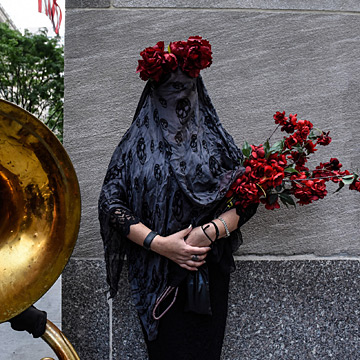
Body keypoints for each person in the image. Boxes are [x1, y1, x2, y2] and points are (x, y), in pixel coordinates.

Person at [98, 36, 257, 360]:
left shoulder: (215, 142)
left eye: (185, 90)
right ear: (155, 95)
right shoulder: (134, 146)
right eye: (171, 91)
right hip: (158, 276)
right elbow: (111, 204)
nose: (179, 101)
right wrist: (162, 244)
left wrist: (207, 232)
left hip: (206, 275)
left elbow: (248, 196)